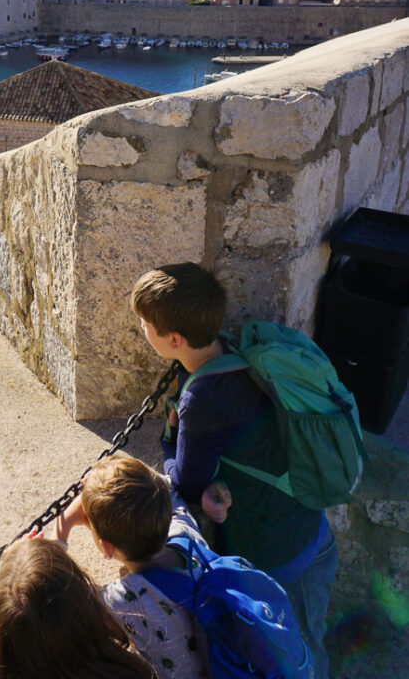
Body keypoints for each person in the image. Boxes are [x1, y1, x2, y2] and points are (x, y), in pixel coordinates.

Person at [131, 263, 337, 679]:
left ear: (174, 340)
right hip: (312, 529)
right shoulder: (238, 350)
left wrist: (168, 440)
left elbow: (186, 480)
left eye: (145, 323)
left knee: (292, 660)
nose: (140, 326)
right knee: (313, 638)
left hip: (278, 557)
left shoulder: (203, 399)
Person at [56, 455, 209, 679]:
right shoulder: (186, 535)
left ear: (106, 548)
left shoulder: (123, 601)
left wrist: (64, 523)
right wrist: (124, 478)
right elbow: (166, 488)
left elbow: (58, 594)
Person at [0, 537, 156, 679]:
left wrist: (12, 568)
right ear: (82, 607)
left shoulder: (1, 666)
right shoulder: (129, 672)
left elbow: (15, 605)